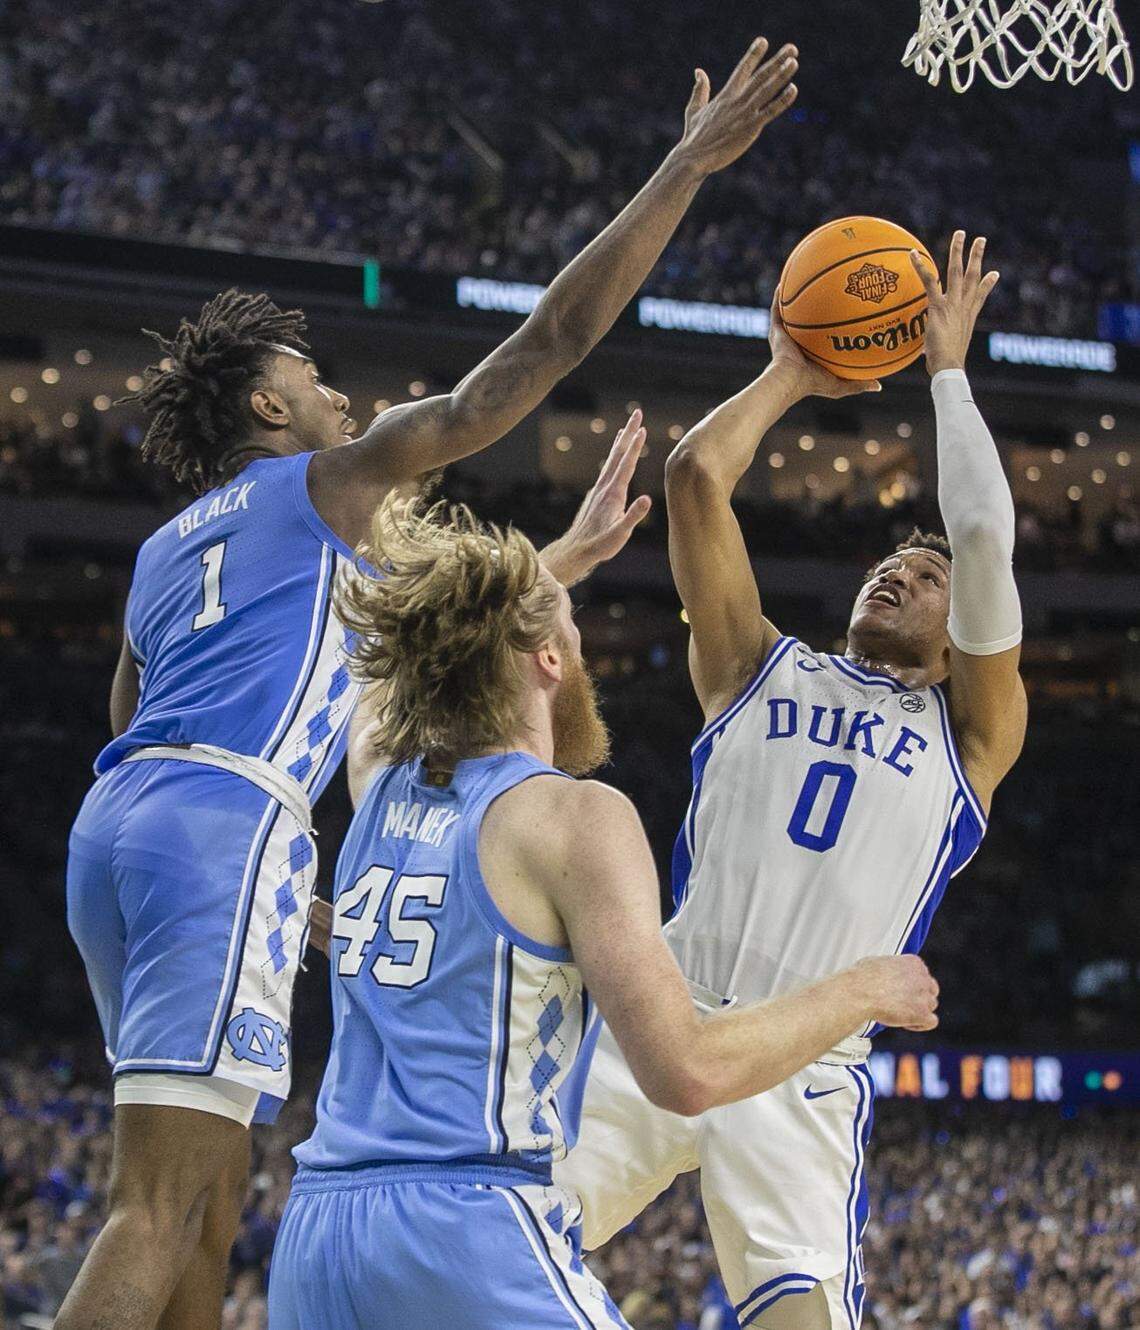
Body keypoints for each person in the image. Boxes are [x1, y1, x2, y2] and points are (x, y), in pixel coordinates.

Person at [57, 38, 805, 1330]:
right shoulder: (323, 486)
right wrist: (687, 164)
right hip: (218, 824)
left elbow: (141, 711)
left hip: (116, 830)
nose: (339, 394)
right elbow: (544, 345)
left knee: (217, 1184)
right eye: (312, 381)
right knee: (162, 1201)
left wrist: (553, 563)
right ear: (264, 406)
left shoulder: (172, 546)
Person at [266, 491, 940, 1330]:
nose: (584, 655)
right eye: (575, 637)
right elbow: (686, 1070)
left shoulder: (377, 785)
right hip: (468, 1225)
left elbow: (384, 684)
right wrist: (867, 988)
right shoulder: (575, 816)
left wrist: (546, 572)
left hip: (317, 1234)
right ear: (548, 658)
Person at [555, 232, 1027, 1330]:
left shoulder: (972, 736)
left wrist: (946, 369)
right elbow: (693, 479)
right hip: (657, 1016)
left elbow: (987, 534)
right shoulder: (753, 663)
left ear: (961, 638)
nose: (895, 573)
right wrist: (791, 371)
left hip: (804, 1055)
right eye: (888, 564)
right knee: (486, 1234)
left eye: (922, 577)